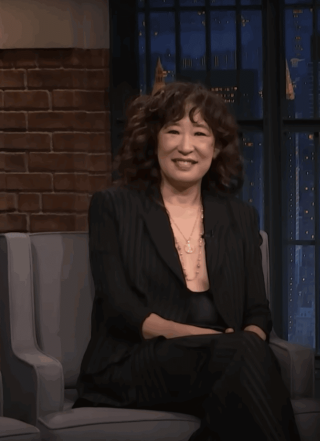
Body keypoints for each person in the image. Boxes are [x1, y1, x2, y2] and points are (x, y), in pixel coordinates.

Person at [72, 81, 301, 441]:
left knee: (245, 365)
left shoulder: (239, 216)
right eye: (173, 131)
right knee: (244, 357)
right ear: (153, 139)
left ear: (216, 145)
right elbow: (122, 311)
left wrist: (247, 343)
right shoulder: (113, 206)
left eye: (199, 133)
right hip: (133, 362)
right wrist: (216, 341)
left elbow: (258, 312)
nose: (185, 146)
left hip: (222, 363)